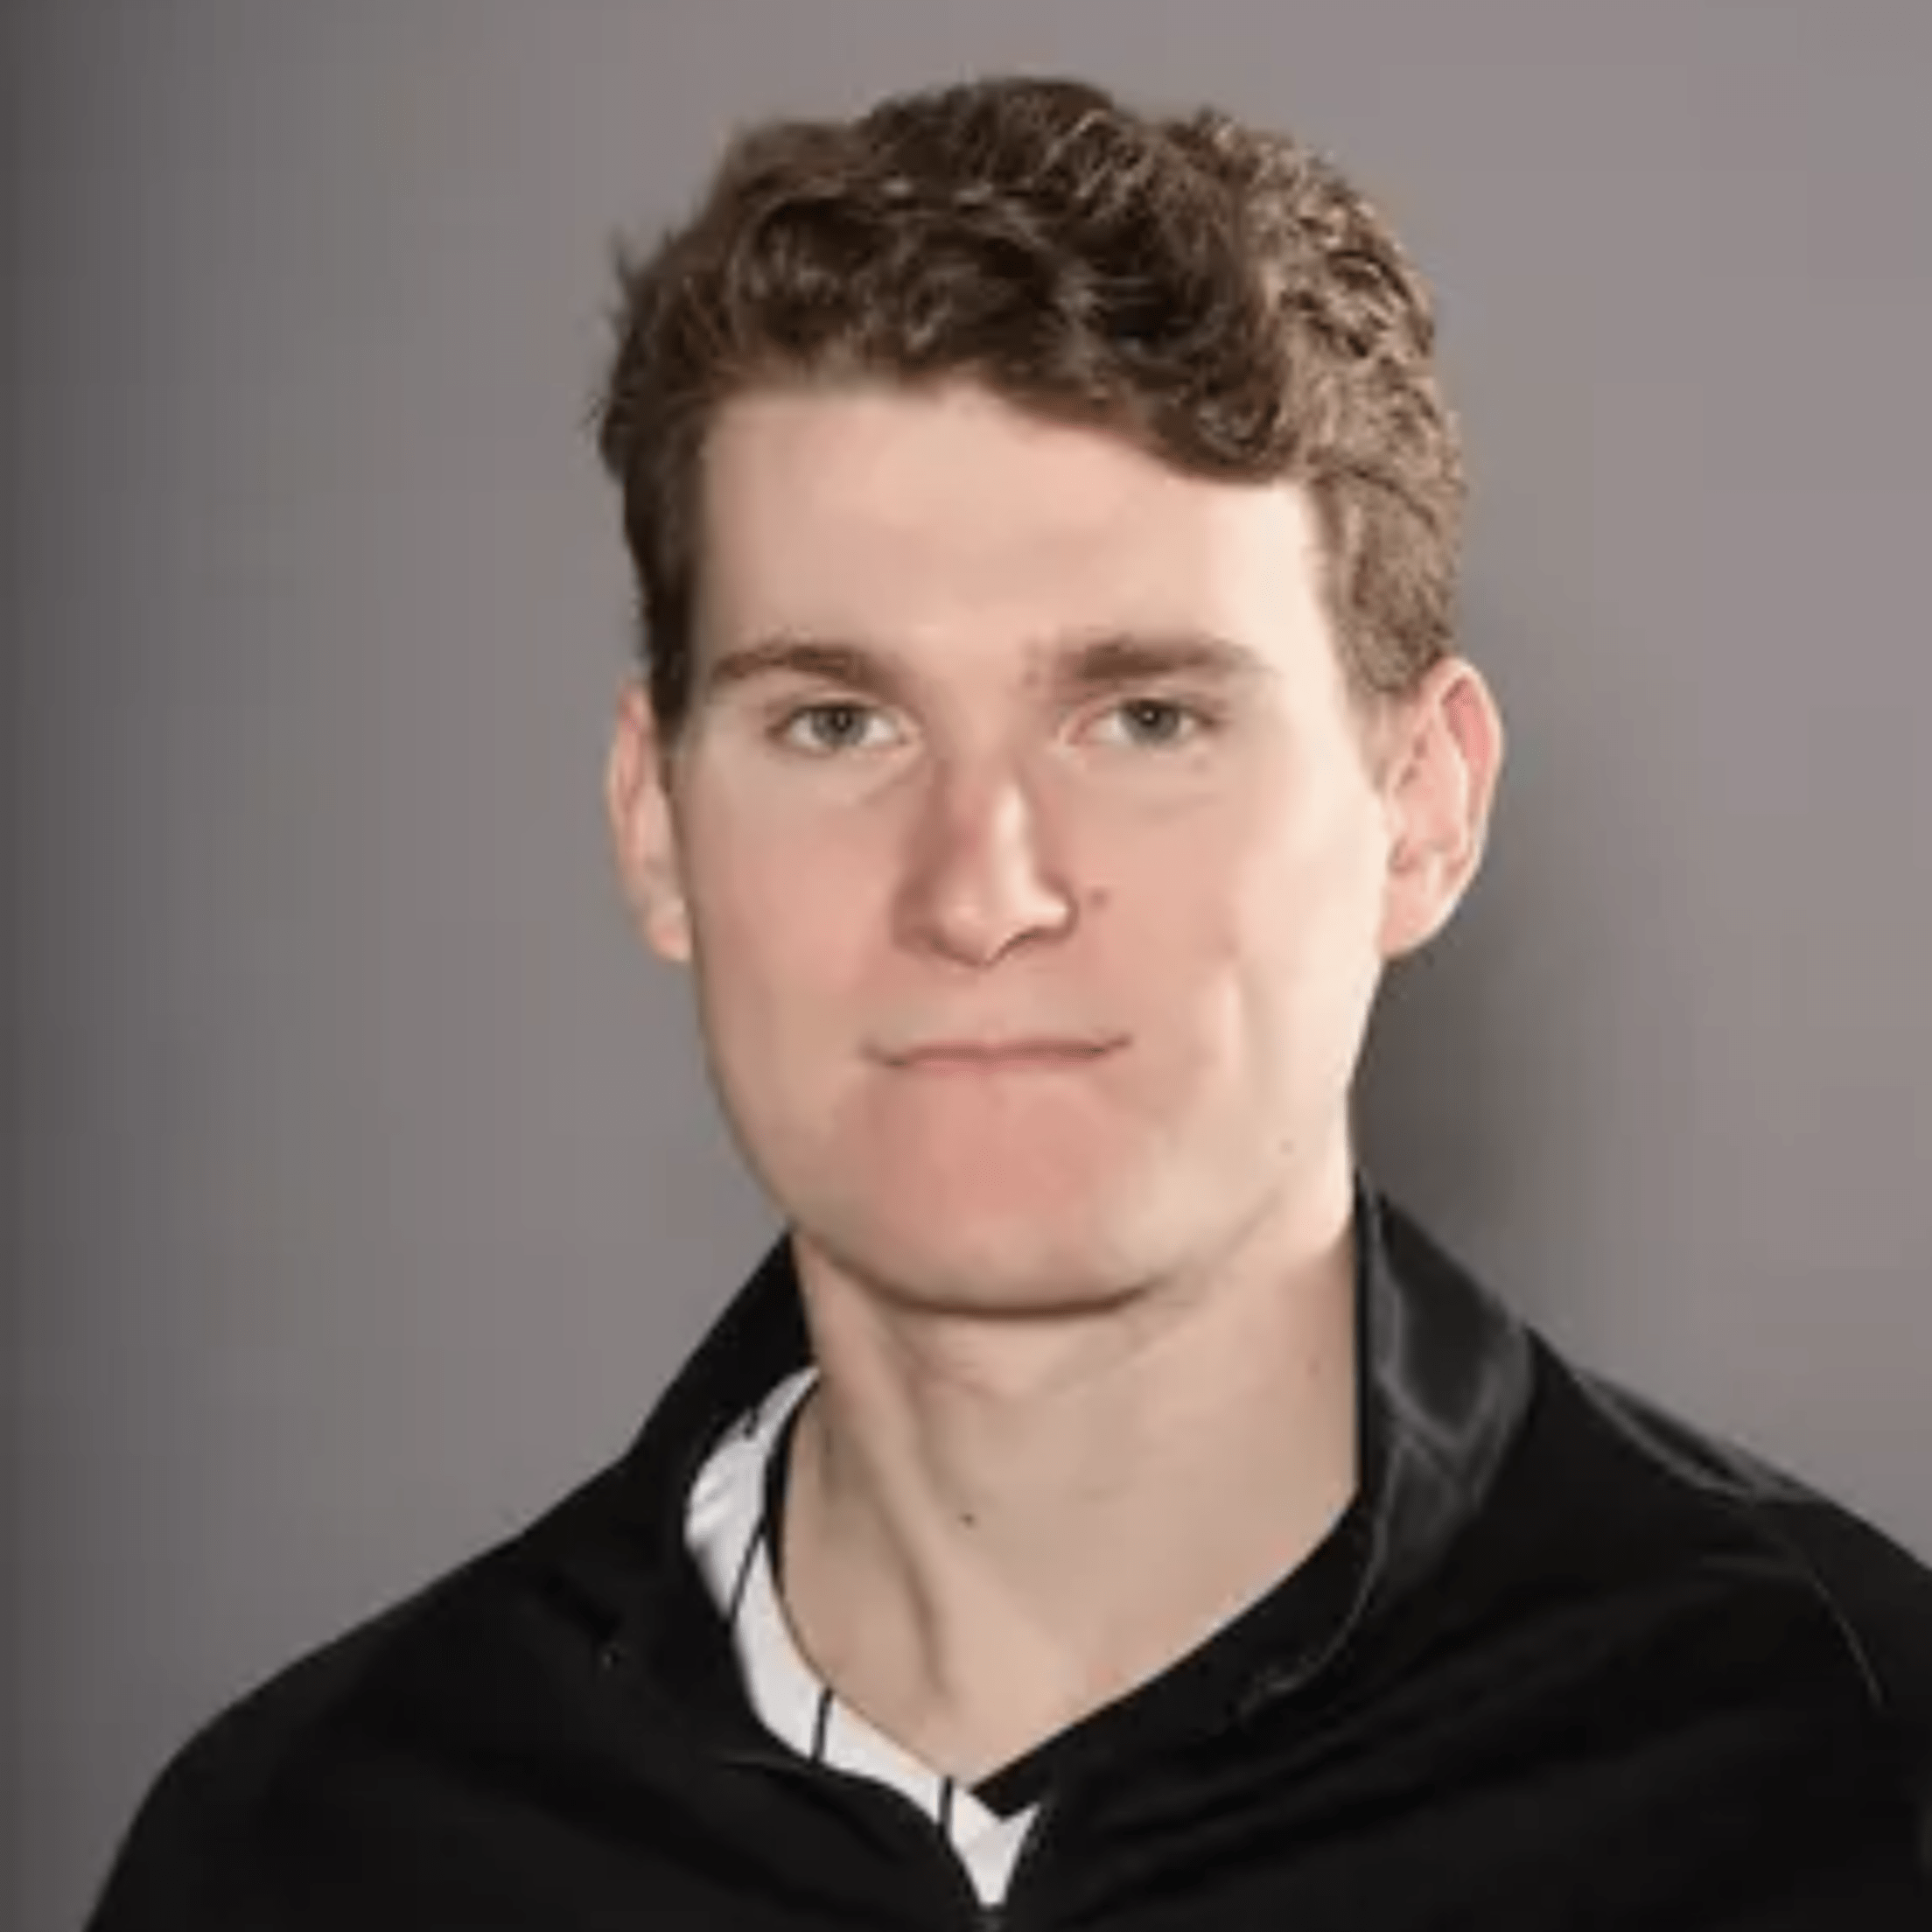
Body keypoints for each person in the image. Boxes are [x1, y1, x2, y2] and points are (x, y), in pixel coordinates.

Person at [89, 74, 1931, 1929]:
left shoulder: (1848, 1775)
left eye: (1147, 720)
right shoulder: (311, 1854)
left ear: (1422, 810)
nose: (979, 891)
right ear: (657, 826)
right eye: (838, 723)